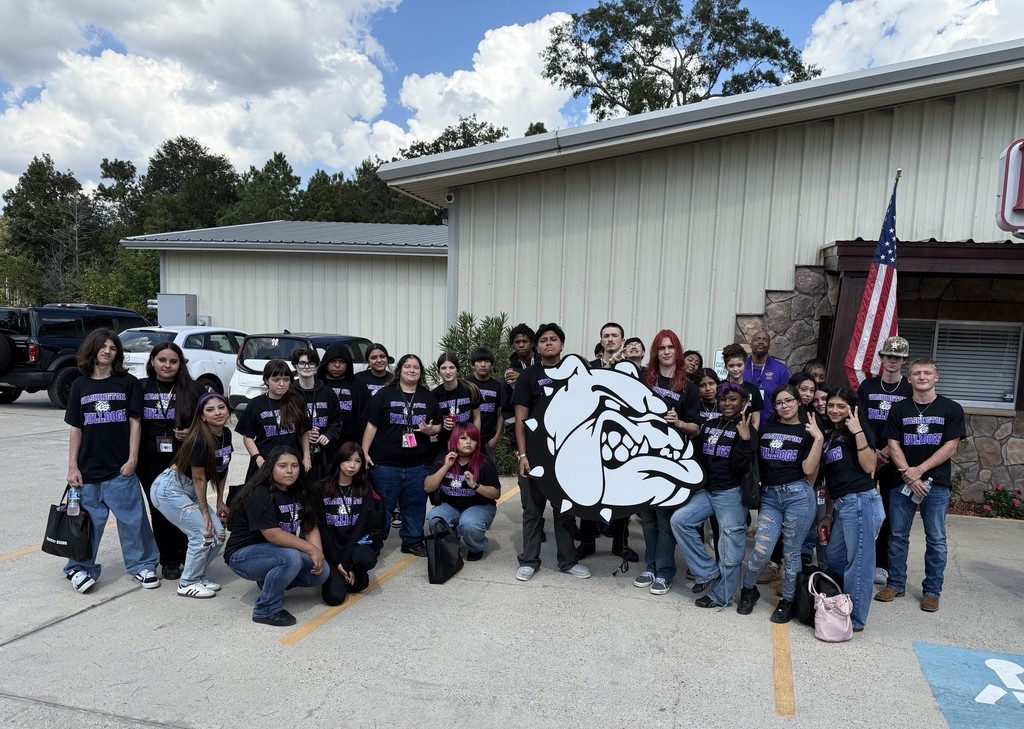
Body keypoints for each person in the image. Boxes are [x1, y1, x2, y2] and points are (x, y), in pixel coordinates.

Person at [63, 329, 161, 594]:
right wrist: (72, 466)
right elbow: (76, 428)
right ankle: (80, 567)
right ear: (92, 349)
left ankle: (142, 564)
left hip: (120, 468)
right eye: (103, 346)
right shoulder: (80, 385)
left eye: (113, 348)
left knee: (133, 520)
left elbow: (135, 423)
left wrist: (132, 459)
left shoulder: (126, 382)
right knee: (87, 523)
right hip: (88, 469)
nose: (107, 351)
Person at [876, 358, 965, 613]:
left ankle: (932, 591)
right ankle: (895, 584)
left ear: (936, 377)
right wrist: (907, 473)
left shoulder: (951, 408)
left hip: (935, 484)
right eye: (917, 373)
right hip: (900, 482)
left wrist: (919, 471)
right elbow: (893, 444)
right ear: (909, 379)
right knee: (897, 536)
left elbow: (951, 446)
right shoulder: (899, 409)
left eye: (927, 373)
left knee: (936, 538)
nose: (922, 377)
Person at [736, 385, 824, 623]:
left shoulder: (808, 430)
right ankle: (748, 590)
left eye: (789, 401)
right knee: (760, 551)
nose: (784, 406)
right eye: (779, 402)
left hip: (798, 495)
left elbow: (808, 470)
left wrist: (818, 439)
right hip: (771, 497)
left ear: (798, 402)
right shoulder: (767, 428)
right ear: (774, 406)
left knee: (791, 553)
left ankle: (788, 601)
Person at [513, 322, 590, 581]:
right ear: (537, 345)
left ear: (562, 344)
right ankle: (529, 560)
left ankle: (568, 561)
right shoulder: (529, 376)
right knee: (533, 511)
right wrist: (523, 456)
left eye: (553, 339)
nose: (548, 343)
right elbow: (520, 420)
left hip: (568, 456)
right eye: (544, 339)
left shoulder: (575, 374)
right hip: (536, 456)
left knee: (565, 511)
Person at [223, 447, 328, 626]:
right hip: (242, 556)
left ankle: (269, 581)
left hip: (274, 553)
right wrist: (310, 549)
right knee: (290, 557)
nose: (289, 470)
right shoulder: (260, 493)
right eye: (282, 465)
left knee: (321, 572)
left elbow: (310, 526)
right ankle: (266, 609)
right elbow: (273, 535)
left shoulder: (299, 491)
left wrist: (318, 554)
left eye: (294, 465)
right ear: (271, 467)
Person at [670, 382, 753, 609]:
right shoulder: (710, 424)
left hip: (731, 494)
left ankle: (722, 596)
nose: (727, 403)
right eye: (724, 399)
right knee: (680, 520)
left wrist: (745, 440)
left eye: (733, 399)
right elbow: (697, 455)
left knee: (729, 547)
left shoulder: (745, 428)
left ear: (743, 403)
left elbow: (740, 467)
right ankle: (708, 571)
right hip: (708, 491)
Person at [634, 329, 700, 595]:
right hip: (642, 455)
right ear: (655, 352)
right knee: (647, 518)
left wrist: (679, 422)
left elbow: (696, 428)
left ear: (677, 351)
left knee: (664, 520)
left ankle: (665, 571)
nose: (666, 352)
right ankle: (650, 567)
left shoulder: (689, 386)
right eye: (661, 348)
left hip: (671, 459)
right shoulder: (645, 380)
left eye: (670, 347)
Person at [150, 392, 233, 599]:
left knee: (219, 534)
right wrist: (205, 511)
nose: (217, 413)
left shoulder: (226, 434)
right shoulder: (199, 438)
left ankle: (198, 575)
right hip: (171, 489)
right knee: (203, 533)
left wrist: (221, 500)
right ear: (202, 416)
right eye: (210, 409)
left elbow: (222, 468)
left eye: (221, 407)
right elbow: (199, 478)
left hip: (192, 491)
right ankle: (187, 583)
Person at [816, 388, 884, 631]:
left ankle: (854, 619)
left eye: (841, 406)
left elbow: (869, 467)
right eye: (831, 405)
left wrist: (858, 433)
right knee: (834, 557)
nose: (834, 410)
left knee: (859, 564)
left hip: (861, 501)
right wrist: (827, 513)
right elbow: (834, 479)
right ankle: (840, 603)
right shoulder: (832, 434)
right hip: (843, 505)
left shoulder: (860, 429)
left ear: (852, 408)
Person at [361, 354, 442, 557]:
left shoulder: (427, 396)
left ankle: (413, 541)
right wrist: (364, 452)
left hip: (418, 463)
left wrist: (428, 431)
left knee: (415, 504)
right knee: (383, 507)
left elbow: (438, 426)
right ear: (399, 371)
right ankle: (375, 543)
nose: (412, 370)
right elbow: (372, 424)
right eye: (407, 367)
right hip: (385, 463)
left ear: (421, 372)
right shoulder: (384, 394)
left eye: (416, 367)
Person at [137, 341, 203, 581]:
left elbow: (210, 420)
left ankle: (188, 552)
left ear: (180, 364)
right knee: (160, 510)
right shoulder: (140, 387)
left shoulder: (193, 389)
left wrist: (192, 432)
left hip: (184, 459)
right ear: (152, 361)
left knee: (185, 508)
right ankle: (169, 559)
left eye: (173, 361)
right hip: (150, 460)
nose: (167, 365)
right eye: (162, 360)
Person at [857, 336, 913, 587]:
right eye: (889, 356)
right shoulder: (868, 386)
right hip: (868, 455)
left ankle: (882, 563)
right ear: (882, 358)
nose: (892, 361)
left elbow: (908, 424)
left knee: (891, 514)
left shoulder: (909, 390)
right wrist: (872, 449)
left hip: (895, 458)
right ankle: (859, 558)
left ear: (904, 360)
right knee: (861, 510)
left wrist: (888, 451)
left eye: (898, 357)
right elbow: (860, 419)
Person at [578, 322, 635, 562]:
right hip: (592, 439)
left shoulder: (631, 369)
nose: (610, 339)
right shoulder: (588, 368)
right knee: (588, 490)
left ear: (622, 341)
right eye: (606, 336)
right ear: (601, 341)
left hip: (621, 440)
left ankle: (620, 544)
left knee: (622, 492)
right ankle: (587, 541)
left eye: (615, 336)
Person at [317, 442, 385, 606]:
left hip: (353, 545)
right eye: (347, 460)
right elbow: (322, 529)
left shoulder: (365, 488)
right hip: (330, 547)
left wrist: (346, 563)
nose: (352, 465)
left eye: (357, 461)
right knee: (334, 598)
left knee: (365, 566)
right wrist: (337, 562)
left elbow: (361, 527)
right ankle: (338, 573)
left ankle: (354, 571)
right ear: (339, 460)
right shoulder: (321, 488)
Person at [425, 424, 502, 561]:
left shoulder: (484, 463)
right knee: (434, 519)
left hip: (480, 507)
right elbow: (428, 487)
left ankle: (476, 546)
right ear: (454, 440)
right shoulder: (443, 460)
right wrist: (446, 467)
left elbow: (496, 493)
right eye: (463, 438)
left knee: (469, 523)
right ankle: (452, 541)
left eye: (473, 439)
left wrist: (475, 485)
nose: (468, 442)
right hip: (451, 506)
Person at [234, 359, 311, 492]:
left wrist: (306, 456)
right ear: (266, 380)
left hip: (291, 463)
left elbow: (304, 431)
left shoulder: (297, 401)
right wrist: (257, 458)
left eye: (286, 379)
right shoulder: (256, 404)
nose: (282, 384)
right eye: (276, 380)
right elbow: (247, 437)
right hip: (265, 462)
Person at [291, 348, 342, 482]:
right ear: (296, 366)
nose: (306, 367)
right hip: (297, 453)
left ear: (317, 367)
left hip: (324, 454)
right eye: (302, 363)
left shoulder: (328, 393)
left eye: (311, 363)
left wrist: (328, 435)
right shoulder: (290, 392)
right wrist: (303, 435)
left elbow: (337, 421)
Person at [316, 342, 367, 451]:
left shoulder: (358, 384)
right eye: (333, 361)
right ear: (326, 362)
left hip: (351, 443)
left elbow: (366, 414)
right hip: (322, 442)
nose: (337, 365)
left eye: (342, 362)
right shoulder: (317, 383)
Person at [432, 352, 482, 461]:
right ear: (438, 372)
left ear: (457, 370)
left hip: (467, 444)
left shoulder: (471, 389)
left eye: (452, 367)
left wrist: (475, 440)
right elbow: (433, 423)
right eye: (443, 368)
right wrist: (442, 423)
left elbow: (477, 417)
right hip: (445, 444)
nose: (448, 372)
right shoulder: (434, 395)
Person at [743, 330, 791, 420]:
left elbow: (786, 398)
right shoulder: (741, 366)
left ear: (769, 345)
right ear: (750, 344)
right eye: (757, 339)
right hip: (742, 422)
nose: (761, 342)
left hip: (770, 423)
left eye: (765, 340)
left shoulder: (780, 369)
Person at [470, 347, 505, 462]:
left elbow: (501, 415)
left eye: (487, 361)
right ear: (473, 365)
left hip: (488, 441)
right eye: (479, 361)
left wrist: (497, 437)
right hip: (468, 439)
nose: (483, 365)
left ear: (492, 365)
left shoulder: (498, 386)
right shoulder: (466, 385)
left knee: (488, 475)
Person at [722, 343, 762, 430]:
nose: (736, 369)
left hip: (745, 434)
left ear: (745, 364)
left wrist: (751, 437)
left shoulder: (753, 389)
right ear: (725, 367)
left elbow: (755, 420)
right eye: (731, 366)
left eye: (739, 365)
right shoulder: (720, 387)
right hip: (722, 433)